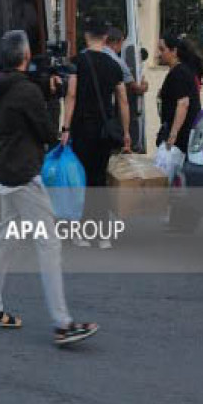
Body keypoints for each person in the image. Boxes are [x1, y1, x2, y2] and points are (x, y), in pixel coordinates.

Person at [0, 30, 99, 346]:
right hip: (25, 177)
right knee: (49, 245)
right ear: (25, 57)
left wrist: (42, 92)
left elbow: (21, 121)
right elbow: (47, 132)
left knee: (5, 242)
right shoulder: (27, 93)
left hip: (8, 173)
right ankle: (63, 324)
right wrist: (51, 98)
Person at [61, 20, 130, 247]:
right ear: (105, 37)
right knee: (99, 179)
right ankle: (103, 236)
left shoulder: (77, 62)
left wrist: (65, 128)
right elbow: (123, 102)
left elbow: (70, 96)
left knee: (80, 179)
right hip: (104, 131)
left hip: (82, 129)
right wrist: (126, 132)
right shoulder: (114, 66)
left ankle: (80, 233)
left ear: (86, 37)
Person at [156, 35, 203, 159]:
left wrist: (173, 134)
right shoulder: (181, 71)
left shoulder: (180, 72)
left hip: (181, 136)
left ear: (174, 51)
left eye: (162, 49)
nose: (158, 54)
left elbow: (183, 103)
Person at [103, 26, 148, 142]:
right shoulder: (118, 63)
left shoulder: (87, 55)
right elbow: (133, 88)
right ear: (116, 43)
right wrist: (144, 86)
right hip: (108, 115)